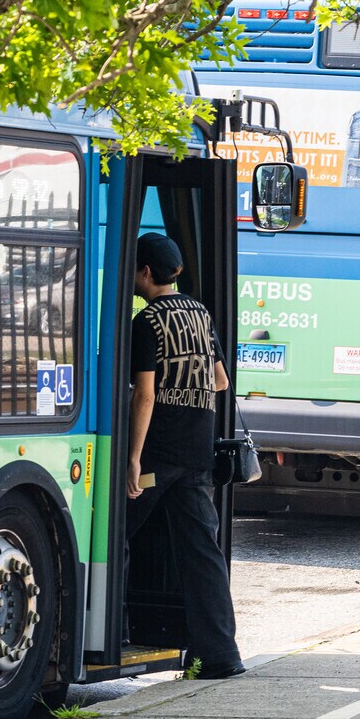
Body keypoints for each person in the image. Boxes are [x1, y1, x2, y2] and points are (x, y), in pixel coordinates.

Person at [127, 232, 244, 679]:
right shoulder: (199, 313)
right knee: (202, 554)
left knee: (116, 531)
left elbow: (145, 395)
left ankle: (114, 630)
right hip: (198, 452)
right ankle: (221, 656)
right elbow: (219, 381)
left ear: (145, 272)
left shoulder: (147, 322)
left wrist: (134, 459)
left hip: (159, 453)